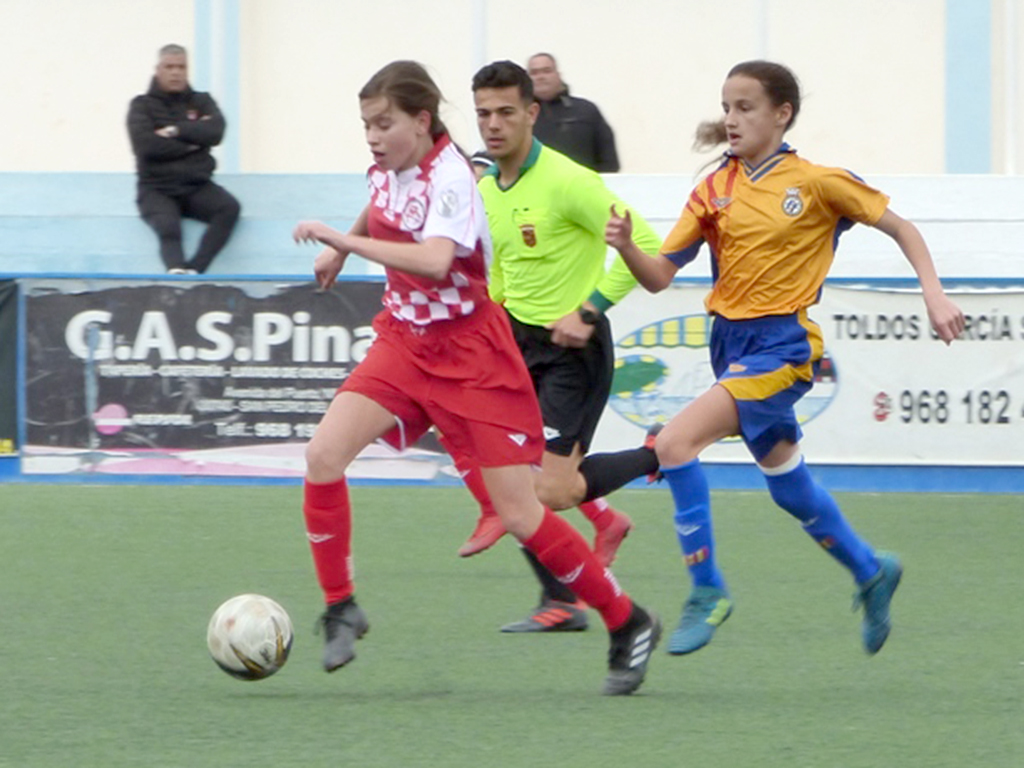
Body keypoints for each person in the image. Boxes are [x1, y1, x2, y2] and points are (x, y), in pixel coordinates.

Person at [292, 60, 659, 695]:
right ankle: (340, 605)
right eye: (366, 126)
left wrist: (343, 243)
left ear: (422, 121)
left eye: (385, 124)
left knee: (525, 512)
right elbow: (381, 197)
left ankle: (627, 621)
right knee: (323, 454)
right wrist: (342, 241)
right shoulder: (388, 165)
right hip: (405, 343)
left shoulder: (455, 178)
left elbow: (436, 261)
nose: (373, 137)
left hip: (470, 354)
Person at [605, 60, 965, 657]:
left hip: (783, 348)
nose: (731, 118)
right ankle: (870, 571)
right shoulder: (713, 189)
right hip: (729, 347)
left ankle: (707, 591)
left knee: (672, 445)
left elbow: (902, 228)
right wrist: (626, 250)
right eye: (726, 107)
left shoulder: (817, 183)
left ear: (782, 114)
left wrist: (933, 292)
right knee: (786, 483)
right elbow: (660, 277)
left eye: (745, 107)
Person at [456, 60, 662, 633]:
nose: (493, 125)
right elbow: (503, 275)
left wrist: (589, 309)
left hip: (573, 351)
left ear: (532, 113)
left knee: (550, 491)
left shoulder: (571, 182)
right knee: (499, 475)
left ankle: (661, 452)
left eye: (505, 112)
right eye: (483, 114)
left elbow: (649, 248)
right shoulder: (487, 192)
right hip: (517, 348)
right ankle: (564, 598)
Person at [127, 44, 240, 274]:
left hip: (196, 186)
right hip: (156, 189)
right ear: (158, 69)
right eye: (169, 67)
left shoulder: (201, 101)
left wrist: (175, 131)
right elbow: (146, 147)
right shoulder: (141, 106)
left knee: (229, 208)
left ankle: (195, 271)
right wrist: (194, 141)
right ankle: (176, 271)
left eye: (181, 67)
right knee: (169, 226)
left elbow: (216, 132)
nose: (176, 72)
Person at [527, 53, 620, 173]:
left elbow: (609, 162)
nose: (540, 77)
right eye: (534, 73)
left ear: (558, 75)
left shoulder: (586, 111)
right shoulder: (519, 116)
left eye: (547, 70)